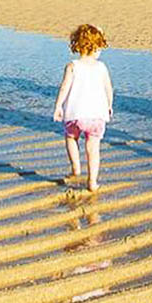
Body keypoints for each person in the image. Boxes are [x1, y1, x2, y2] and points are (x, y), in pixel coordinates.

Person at [52, 24, 114, 191]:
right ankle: (92, 182)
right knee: (93, 147)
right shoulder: (101, 67)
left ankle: (76, 168)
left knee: (71, 138)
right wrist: (109, 105)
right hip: (96, 115)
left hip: (75, 114)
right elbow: (108, 88)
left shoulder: (72, 66)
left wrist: (58, 106)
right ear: (96, 48)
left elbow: (64, 88)